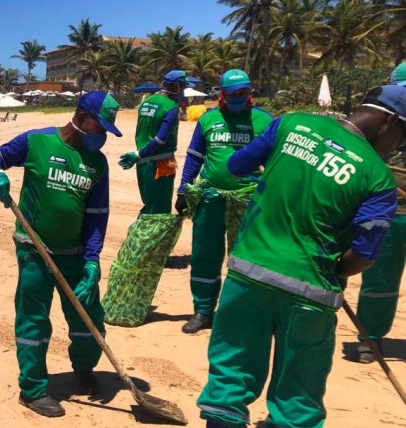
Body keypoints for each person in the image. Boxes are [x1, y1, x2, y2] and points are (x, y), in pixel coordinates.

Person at [196, 86, 403, 427]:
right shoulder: (379, 179)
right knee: (298, 394)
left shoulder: (289, 124)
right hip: (312, 291)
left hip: (249, 273)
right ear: (389, 121)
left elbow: (236, 165)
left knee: (230, 377)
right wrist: (337, 272)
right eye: (402, 136)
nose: (399, 147)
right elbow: (365, 254)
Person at [0, 91, 122, 417]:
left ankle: (84, 368)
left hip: (74, 253)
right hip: (34, 249)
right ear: (82, 116)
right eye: (100, 127)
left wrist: (92, 261)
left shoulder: (97, 163)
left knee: (89, 322)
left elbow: (97, 215)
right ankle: (32, 390)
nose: (102, 136)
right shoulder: (37, 142)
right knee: (33, 320)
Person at [174, 69, 274, 334]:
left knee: (244, 258)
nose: (240, 98)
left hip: (248, 201)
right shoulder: (208, 120)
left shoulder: (265, 121)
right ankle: (203, 310)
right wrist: (183, 190)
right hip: (210, 197)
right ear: (222, 94)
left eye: (245, 92)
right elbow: (195, 156)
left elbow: (275, 164)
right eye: (234, 94)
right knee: (205, 255)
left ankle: (239, 312)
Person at [355, 63, 406, 363]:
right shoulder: (380, 122)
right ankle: (370, 337)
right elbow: (366, 165)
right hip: (389, 211)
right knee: (380, 280)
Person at [119, 70, 185, 214]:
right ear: (176, 87)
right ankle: (145, 236)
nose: (184, 91)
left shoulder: (146, 103)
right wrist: (140, 153)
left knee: (149, 205)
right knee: (159, 211)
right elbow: (160, 140)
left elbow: (139, 131)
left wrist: (139, 154)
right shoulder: (171, 108)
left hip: (142, 163)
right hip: (160, 164)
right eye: (183, 87)